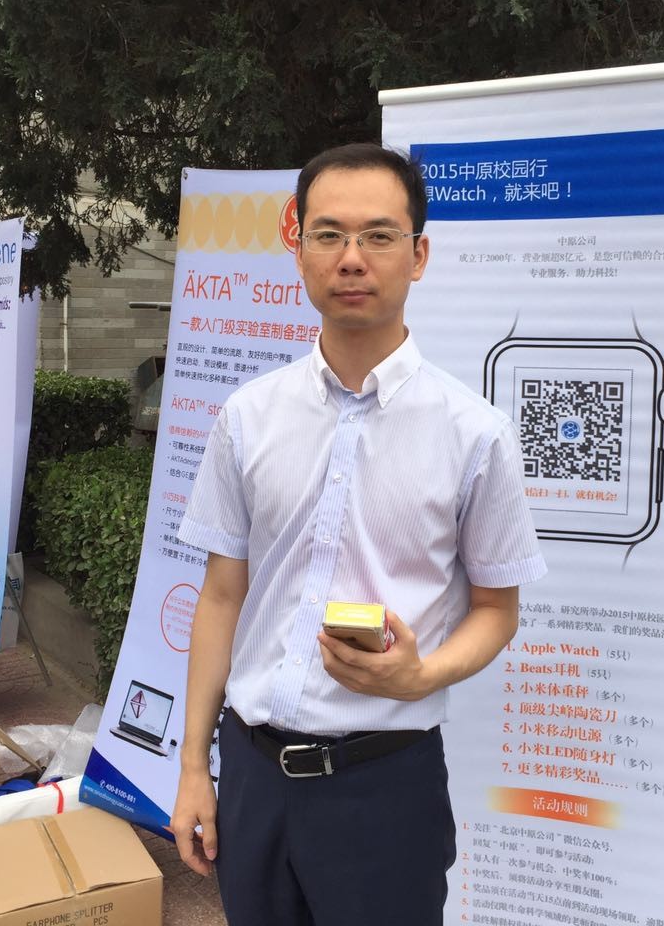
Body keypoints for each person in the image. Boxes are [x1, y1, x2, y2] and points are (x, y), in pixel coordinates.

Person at [170, 143, 546, 925]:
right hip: (252, 777)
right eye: (328, 234)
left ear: (419, 255)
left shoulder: (474, 434)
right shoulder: (247, 417)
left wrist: (422, 675)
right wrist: (193, 767)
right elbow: (222, 596)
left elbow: (497, 610)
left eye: (378, 235)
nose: (351, 258)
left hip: (384, 789)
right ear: (298, 248)